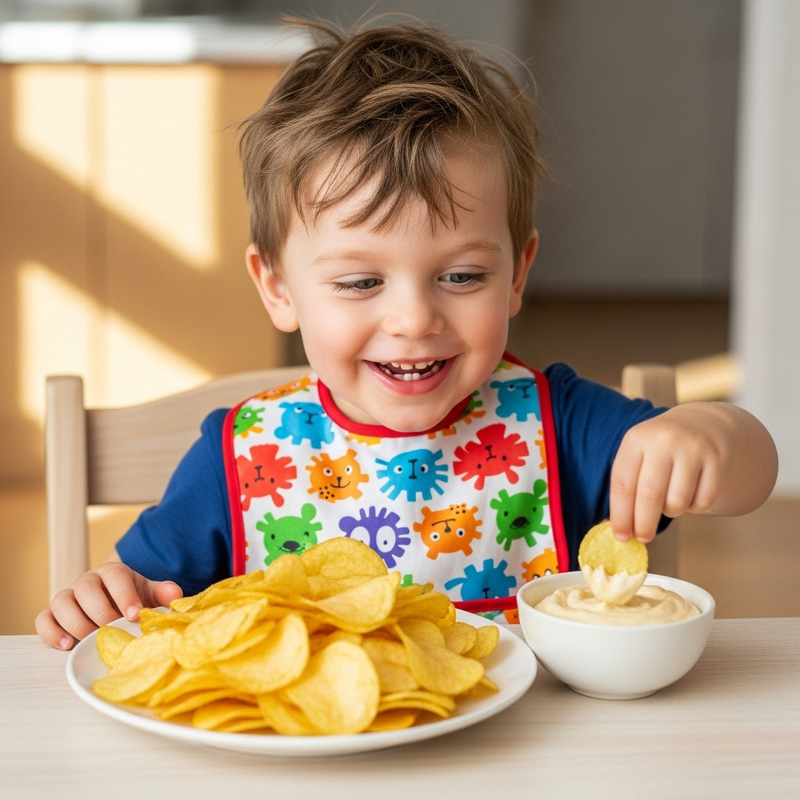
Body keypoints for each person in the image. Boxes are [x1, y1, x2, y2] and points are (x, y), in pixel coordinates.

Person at [36, 19, 778, 650]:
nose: (414, 320)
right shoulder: (236, 459)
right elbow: (139, 600)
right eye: (360, 282)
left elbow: (750, 475)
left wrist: (713, 434)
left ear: (518, 273)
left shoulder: (565, 424)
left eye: (460, 277)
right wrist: (107, 596)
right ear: (278, 288)